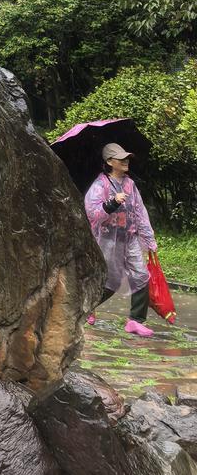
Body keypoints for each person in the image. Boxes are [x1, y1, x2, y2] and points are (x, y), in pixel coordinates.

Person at [85, 141, 159, 338]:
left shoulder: (130, 184)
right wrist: (111, 203)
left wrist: (149, 239)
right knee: (111, 279)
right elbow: (92, 213)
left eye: (127, 158)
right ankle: (86, 308)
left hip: (130, 237)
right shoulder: (101, 185)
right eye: (121, 158)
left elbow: (140, 212)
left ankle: (136, 320)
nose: (126, 161)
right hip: (108, 239)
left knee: (141, 275)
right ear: (110, 161)